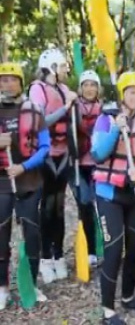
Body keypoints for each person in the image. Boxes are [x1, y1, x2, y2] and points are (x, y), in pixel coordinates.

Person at [91, 71, 135, 325]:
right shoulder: (105, 121)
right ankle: (108, 311)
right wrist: (116, 131)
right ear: (122, 95)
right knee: (113, 251)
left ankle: (129, 296)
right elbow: (97, 154)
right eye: (131, 91)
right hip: (109, 194)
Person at [0, 62, 50, 309]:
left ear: (20, 83)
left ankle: (30, 282)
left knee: (31, 233)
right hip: (2, 183)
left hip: (29, 180)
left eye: (12, 79)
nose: (7, 83)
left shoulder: (34, 110)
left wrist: (24, 166)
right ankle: (2, 287)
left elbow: (44, 148)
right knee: (2, 235)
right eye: (3, 79)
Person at [28, 48, 78, 283]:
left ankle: (58, 255)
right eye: (62, 66)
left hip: (64, 155)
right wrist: (65, 108)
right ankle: (45, 259)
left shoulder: (64, 89)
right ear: (51, 67)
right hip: (46, 155)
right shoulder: (37, 89)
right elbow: (41, 121)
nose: (65, 70)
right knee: (46, 208)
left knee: (58, 208)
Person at [71, 70, 103, 266]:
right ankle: (90, 250)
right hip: (79, 164)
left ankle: (104, 245)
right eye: (86, 85)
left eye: (93, 85)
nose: (90, 88)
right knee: (85, 205)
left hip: (99, 164)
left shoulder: (103, 109)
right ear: (81, 88)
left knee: (101, 205)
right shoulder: (73, 108)